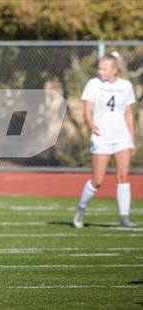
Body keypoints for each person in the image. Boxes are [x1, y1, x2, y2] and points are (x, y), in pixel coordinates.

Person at [73, 52, 137, 229]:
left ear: (114, 70)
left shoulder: (126, 86)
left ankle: (124, 218)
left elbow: (128, 113)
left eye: (104, 69)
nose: (100, 71)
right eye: (99, 68)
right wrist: (92, 124)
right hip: (102, 137)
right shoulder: (93, 84)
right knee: (98, 180)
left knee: (123, 176)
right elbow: (86, 109)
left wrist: (132, 139)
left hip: (121, 137)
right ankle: (81, 208)